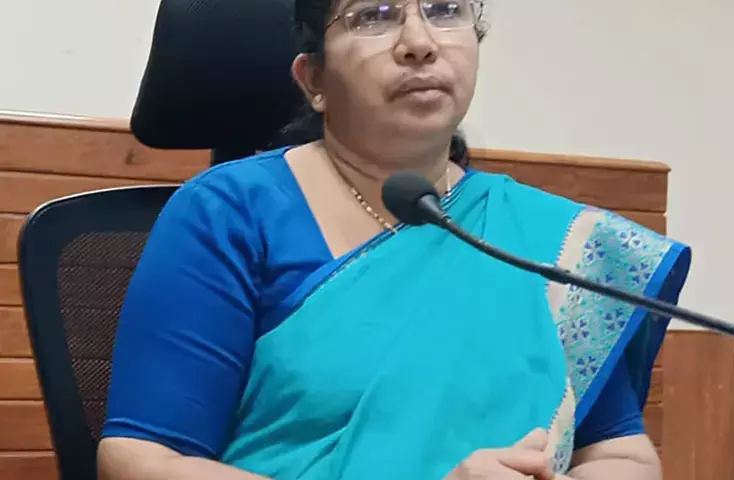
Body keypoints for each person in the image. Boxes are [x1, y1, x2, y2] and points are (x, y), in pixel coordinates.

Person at [98, 0, 691, 479]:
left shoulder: (543, 238)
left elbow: (619, 453)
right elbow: (142, 462)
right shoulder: (230, 213)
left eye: (445, 9)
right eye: (373, 16)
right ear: (314, 80)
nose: (419, 41)